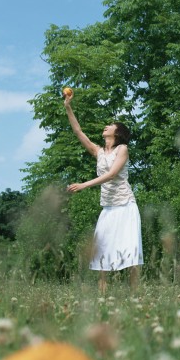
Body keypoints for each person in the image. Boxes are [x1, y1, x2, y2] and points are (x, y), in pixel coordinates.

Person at [64, 92, 143, 292]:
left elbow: (111, 175)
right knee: (102, 253)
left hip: (125, 206)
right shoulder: (98, 152)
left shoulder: (122, 149)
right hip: (108, 208)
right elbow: (78, 131)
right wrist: (68, 106)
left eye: (110, 125)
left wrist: (83, 185)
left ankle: (136, 296)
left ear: (117, 132)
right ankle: (102, 298)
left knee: (130, 253)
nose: (106, 126)